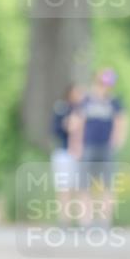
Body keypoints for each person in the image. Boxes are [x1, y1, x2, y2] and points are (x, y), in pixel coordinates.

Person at [69, 68, 129, 227]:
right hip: (88, 146)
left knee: (108, 185)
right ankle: (85, 221)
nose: (105, 86)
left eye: (108, 83)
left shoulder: (114, 101)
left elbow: (120, 121)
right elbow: (78, 123)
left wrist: (117, 141)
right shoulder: (87, 100)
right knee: (84, 185)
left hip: (106, 148)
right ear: (97, 81)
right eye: (103, 82)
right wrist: (76, 144)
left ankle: (104, 221)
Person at [51, 85, 83, 226]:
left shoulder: (83, 110)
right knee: (64, 188)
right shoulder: (61, 109)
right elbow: (54, 129)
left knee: (79, 188)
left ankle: (80, 220)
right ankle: (64, 220)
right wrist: (67, 125)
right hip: (63, 153)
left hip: (80, 154)